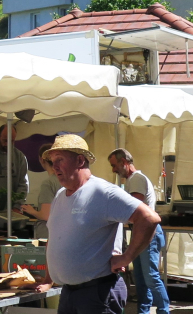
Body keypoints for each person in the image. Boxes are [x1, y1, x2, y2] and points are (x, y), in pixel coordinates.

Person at [31, 134, 161, 314]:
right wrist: (48, 279)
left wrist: (126, 257)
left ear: (79, 160)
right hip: (69, 292)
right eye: (53, 161)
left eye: (60, 159)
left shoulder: (102, 192)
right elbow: (54, 239)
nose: (55, 167)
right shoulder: (61, 195)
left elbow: (149, 218)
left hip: (98, 293)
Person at [108, 148, 169, 314]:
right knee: (141, 279)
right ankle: (143, 311)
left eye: (114, 165)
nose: (113, 169)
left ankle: (164, 311)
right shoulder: (132, 180)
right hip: (142, 232)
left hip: (148, 233)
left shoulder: (136, 180)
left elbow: (134, 207)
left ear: (124, 163)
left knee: (150, 277)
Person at [21, 143, 59, 236]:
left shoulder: (48, 183)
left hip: (47, 234)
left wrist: (32, 211)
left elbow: (46, 215)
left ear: (41, 160)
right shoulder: (66, 181)